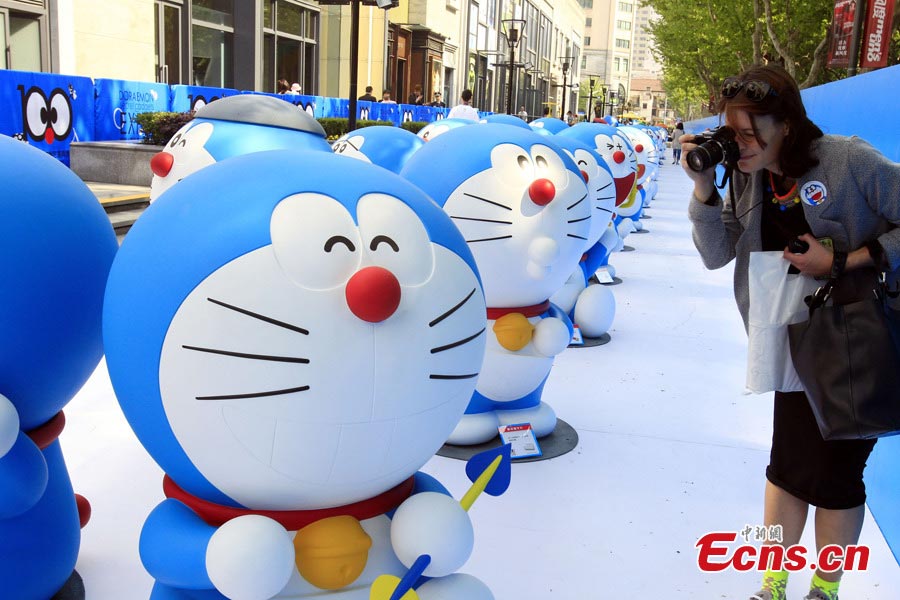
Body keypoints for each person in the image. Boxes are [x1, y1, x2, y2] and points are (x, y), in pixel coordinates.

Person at [683, 64, 900, 600]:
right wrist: (706, 190)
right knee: (785, 464)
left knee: (837, 475)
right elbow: (716, 253)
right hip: (790, 338)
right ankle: (773, 585)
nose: (738, 144)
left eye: (748, 132)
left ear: (787, 124)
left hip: (856, 342)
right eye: (730, 132)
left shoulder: (849, 160)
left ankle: (824, 590)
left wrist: (846, 258)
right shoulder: (749, 172)